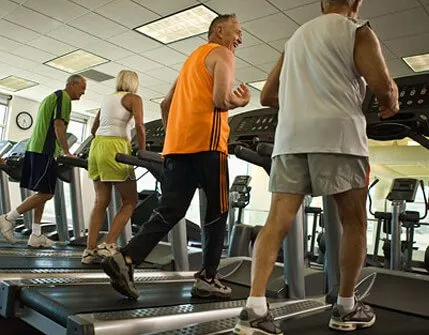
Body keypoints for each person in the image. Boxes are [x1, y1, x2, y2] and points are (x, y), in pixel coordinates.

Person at [233, 0, 400, 334]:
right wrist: (391, 100)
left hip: (290, 139)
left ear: (323, 3)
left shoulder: (295, 39)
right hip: (337, 137)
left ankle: (254, 309)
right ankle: (346, 307)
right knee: (353, 222)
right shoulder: (358, 30)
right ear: (356, 1)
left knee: (276, 221)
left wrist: (302, 100)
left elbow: (267, 95)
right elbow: (383, 88)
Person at [102, 14, 250, 299]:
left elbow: (166, 104)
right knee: (217, 213)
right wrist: (240, 101)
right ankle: (207, 277)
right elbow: (221, 100)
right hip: (209, 148)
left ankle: (126, 257)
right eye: (238, 31)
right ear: (219, 30)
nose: (240, 39)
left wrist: (175, 137)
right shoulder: (222, 53)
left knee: (170, 211)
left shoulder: (191, 62)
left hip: (178, 150)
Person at [0, 74, 87, 248]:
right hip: (44, 150)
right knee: (46, 194)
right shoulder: (63, 98)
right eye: (82, 89)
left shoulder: (51, 97)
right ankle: (8, 218)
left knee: (43, 193)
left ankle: (36, 234)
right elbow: (58, 125)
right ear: (72, 84)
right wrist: (67, 151)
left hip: (36, 148)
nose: (82, 94)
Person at [81, 70, 146, 264]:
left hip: (98, 146)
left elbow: (94, 129)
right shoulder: (134, 98)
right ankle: (108, 244)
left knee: (101, 201)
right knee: (130, 200)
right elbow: (140, 126)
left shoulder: (107, 98)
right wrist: (143, 152)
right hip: (116, 146)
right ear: (134, 83)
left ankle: (89, 250)